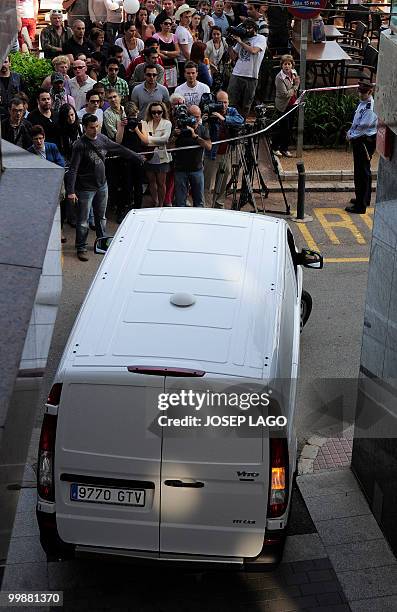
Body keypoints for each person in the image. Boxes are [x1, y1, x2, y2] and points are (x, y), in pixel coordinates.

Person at [65, 113, 143, 261]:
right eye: (91, 128)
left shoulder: (102, 139)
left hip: (102, 185)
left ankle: (102, 242)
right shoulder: (79, 145)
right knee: (83, 221)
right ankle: (81, 247)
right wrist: (71, 191)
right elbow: (73, 169)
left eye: (96, 127)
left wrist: (136, 156)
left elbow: (119, 148)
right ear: (85, 128)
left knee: (101, 217)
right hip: (85, 189)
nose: (95, 130)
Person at [203, 89, 244, 208]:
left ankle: (219, 205)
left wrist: (224, 119)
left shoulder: (231, 111)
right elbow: (201, 129)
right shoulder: (210, 111)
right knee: (207, 183)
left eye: (226, 102)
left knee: (223, 181)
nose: (223, 105)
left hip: (226, 153)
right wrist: (205, 120)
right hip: (211, 154)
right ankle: (206, 207)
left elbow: (240, 120)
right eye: (220, 102)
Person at [345, 82, 377, 214]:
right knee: (363, 171)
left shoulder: (369, 107)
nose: (360, 94)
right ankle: (363, 198)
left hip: (363, 141)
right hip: (359, 139)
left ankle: (360, 205)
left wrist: (351, 135)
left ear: (370, 92)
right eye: (359, 92)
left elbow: (363, 126)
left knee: (361, 173)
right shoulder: (363, 103)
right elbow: (357, 121)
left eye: (363, 92)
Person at [134, 101, 172, 206]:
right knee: (151, 181)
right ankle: (155, 201)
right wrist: (152, 140)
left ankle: (161, 204)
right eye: (153, 112)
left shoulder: (167, 123)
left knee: (161, 183)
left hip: (162, 157)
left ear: (163, 112)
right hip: (149, 156)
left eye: (159, 112)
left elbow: (164, 139)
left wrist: (148, 139)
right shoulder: (145, 123)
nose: (156, 114)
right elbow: (142, 141)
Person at [173, 105, 211, 207]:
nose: (196, 119)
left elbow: (208, 146)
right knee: (180, 201)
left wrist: (196, 136)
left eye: (198, 116)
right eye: (194, 116)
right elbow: (169, 147)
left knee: (199, 201)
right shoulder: (180, 129)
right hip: (180, 170)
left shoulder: (202, 129)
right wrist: (175, 136)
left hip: (197, 169)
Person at [228, 19, 267, 117]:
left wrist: (240, 42)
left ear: (255, 29)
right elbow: (233, 57)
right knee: (231, 101)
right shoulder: (242, 38)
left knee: (246, 104)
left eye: (249, 28)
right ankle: (230, 123)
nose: (247, 30)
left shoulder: (260, 38)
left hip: (251, 76)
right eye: (245, 28)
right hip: (236, 74)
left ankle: (243, 123)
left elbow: (254, 51)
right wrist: (229, 44)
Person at [114, 101, 144, 216]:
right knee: (126, 185)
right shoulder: (121, 123)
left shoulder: (141, 123)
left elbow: (145, 141)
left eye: (134, 115)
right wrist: (121, 126)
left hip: (138, 158)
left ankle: (138, 209)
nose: (132, 119)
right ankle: (122, 210)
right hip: (125, 159)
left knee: (138, 185)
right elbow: (118, 141)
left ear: (137, 113)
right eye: (129, 115)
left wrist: (136, 128)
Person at [272, 54, 299, 158]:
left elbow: (294, 86)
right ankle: (275, 147)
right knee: (283, 127)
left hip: (292, 103)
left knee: (289, 127)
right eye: (285, 64)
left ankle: (285, 148)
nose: (287, 66)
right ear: (281, 65)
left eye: (289, 64)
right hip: (283, 105)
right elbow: (285, 94)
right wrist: (295, 86)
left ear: (292, 65)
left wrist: (295, 88)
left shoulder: (294, 73)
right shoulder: (279, 78)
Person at [153, 17, 180, 91]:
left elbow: (177, 52)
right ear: (161, 25)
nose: (168, 25)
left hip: (172, 68)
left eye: (170, 24)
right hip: (161, 68)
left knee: (172, 90)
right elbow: (157, 52)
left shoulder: (174, 36)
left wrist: (165, 52)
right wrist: (170, 55)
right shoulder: (156, 36)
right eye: (166, 23)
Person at [175, 4, 194, 78]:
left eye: (190, 16)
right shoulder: (182, 31)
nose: (189, 19)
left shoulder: (184, 29)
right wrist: (193, 62)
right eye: (186, 17)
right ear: (181, 18)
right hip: (185, 62)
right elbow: (185, 52)